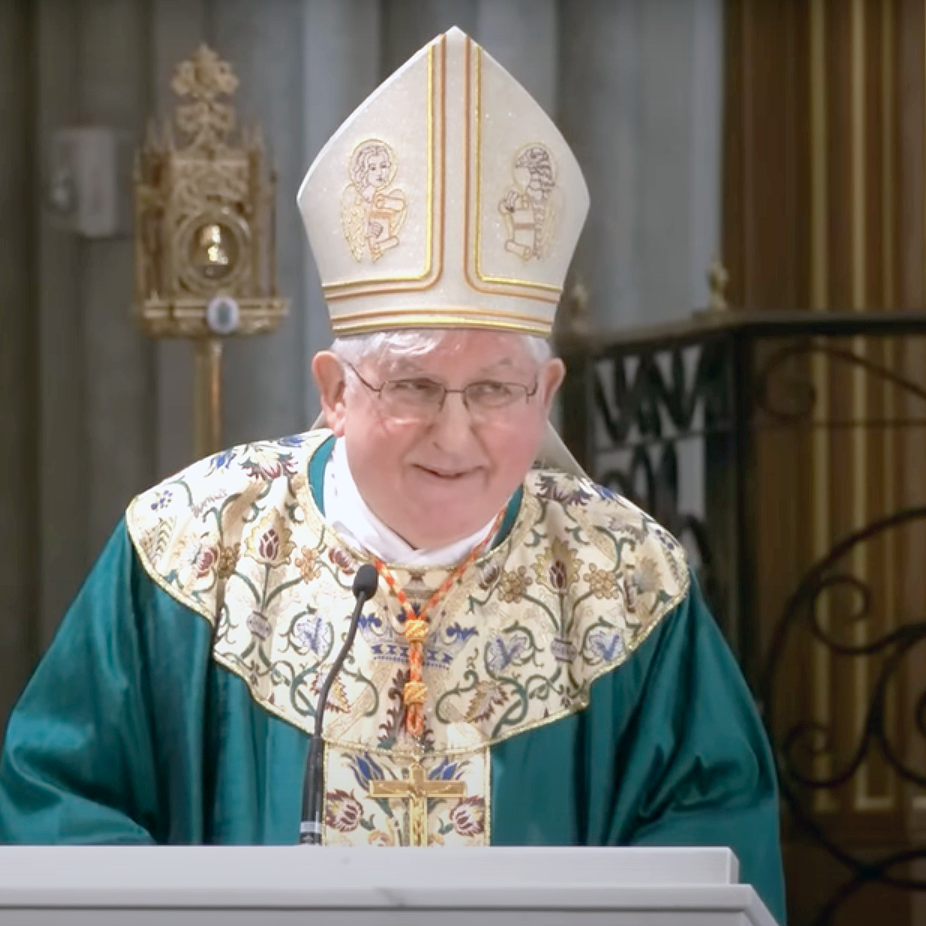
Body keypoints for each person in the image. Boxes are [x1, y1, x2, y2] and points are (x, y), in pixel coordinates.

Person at [0, 26, 786, 924]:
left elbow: (714, 839)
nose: (457, 433)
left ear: (547, 391)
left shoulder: (627, 583)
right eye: (414, 384)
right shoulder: (190, 549)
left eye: (496, 389)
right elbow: (60, 805)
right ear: (334, 390)